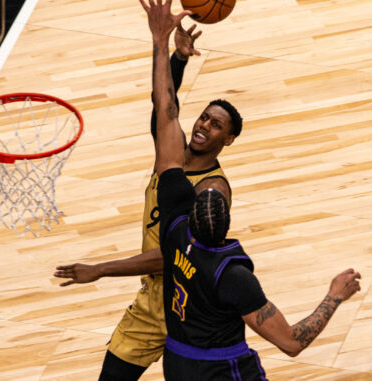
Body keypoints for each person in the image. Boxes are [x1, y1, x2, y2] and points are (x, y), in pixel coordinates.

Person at [141, 1, 361, 379]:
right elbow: (292, 342)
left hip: (177, 364)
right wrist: (335, 296)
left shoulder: (175, 231)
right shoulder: (232, 275)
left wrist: (160, 43)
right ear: (227, 225)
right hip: (221, 370)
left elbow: (166, 111)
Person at [54, 12, 243, 381]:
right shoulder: (172, 157)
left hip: (187, 301)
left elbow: (172, 255)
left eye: (216, 124)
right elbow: (164, 110)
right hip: (152, 299)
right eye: (204, 117)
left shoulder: (211, 191)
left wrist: (101, 268)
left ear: (229, 139)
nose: (204, 125)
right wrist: (177, 58)